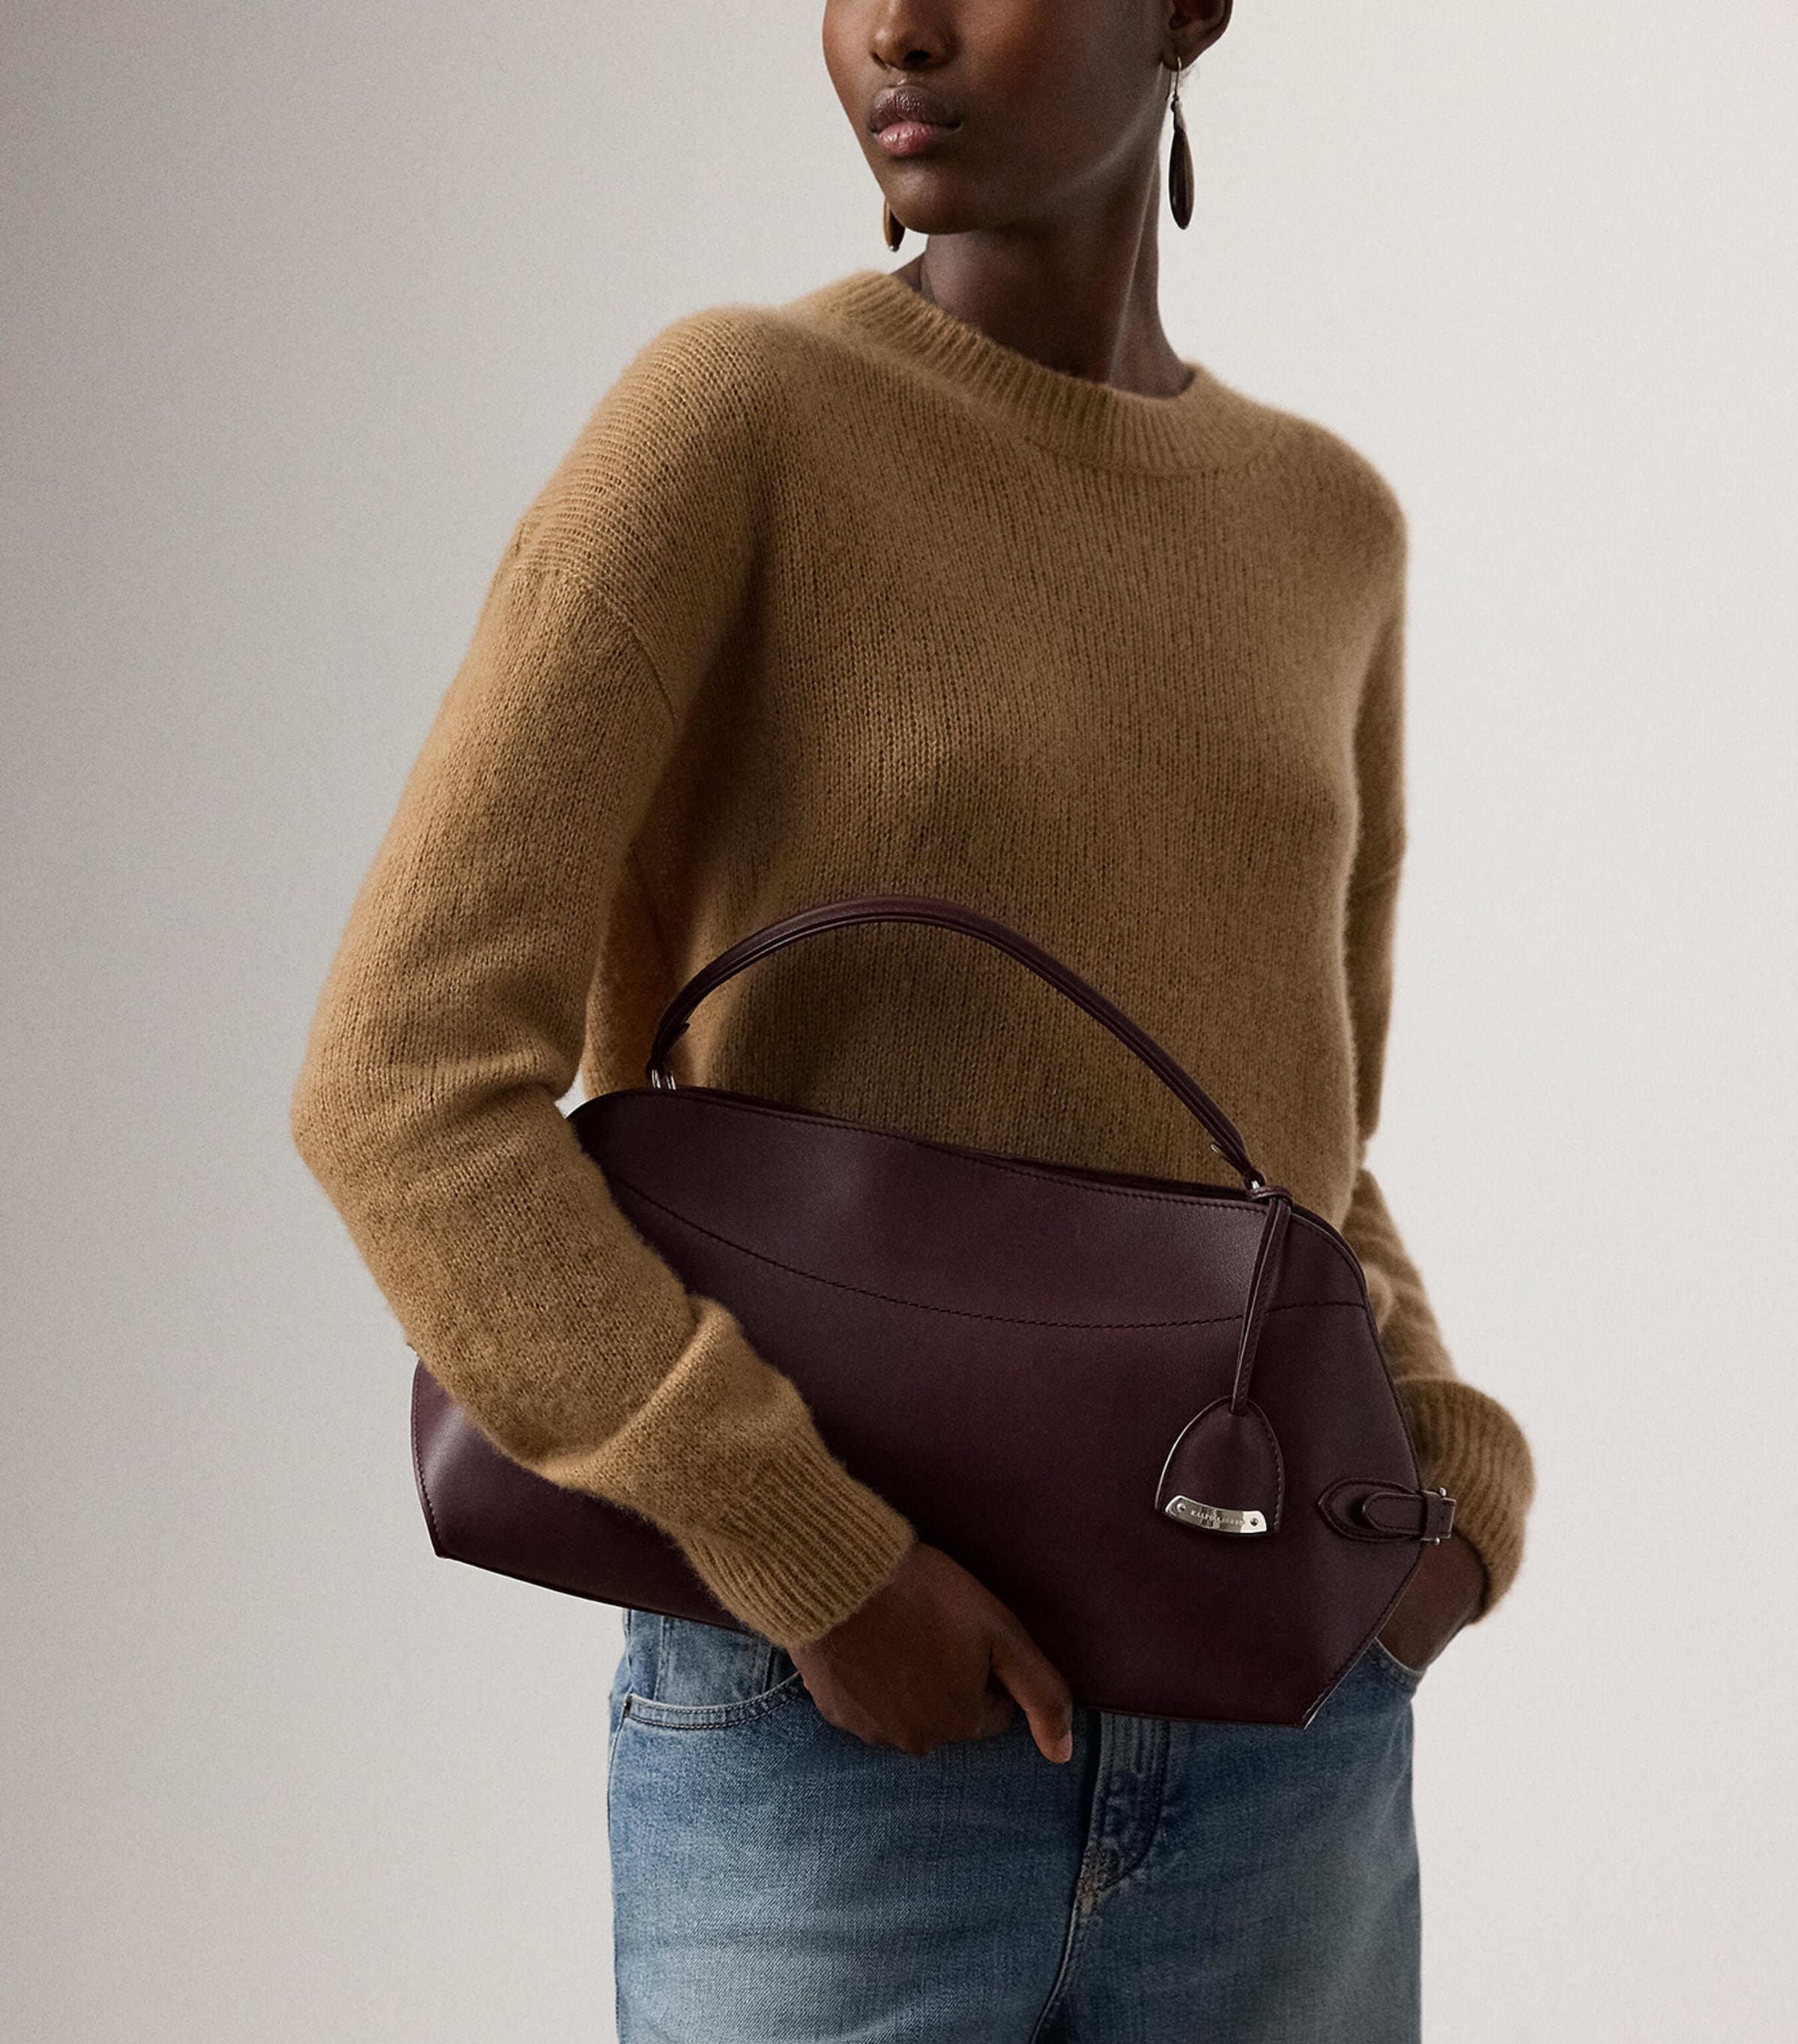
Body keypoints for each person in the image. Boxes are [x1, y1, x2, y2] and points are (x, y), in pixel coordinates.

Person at [293, 2, 1536, 2037]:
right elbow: (397, 1081)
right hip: (833, 1752)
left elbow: (1301, 1151)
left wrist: (1449, 1495)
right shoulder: (735, 420)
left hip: (1280, 1751)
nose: (898, 26)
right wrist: (808, 1553)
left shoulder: (1328, 529)